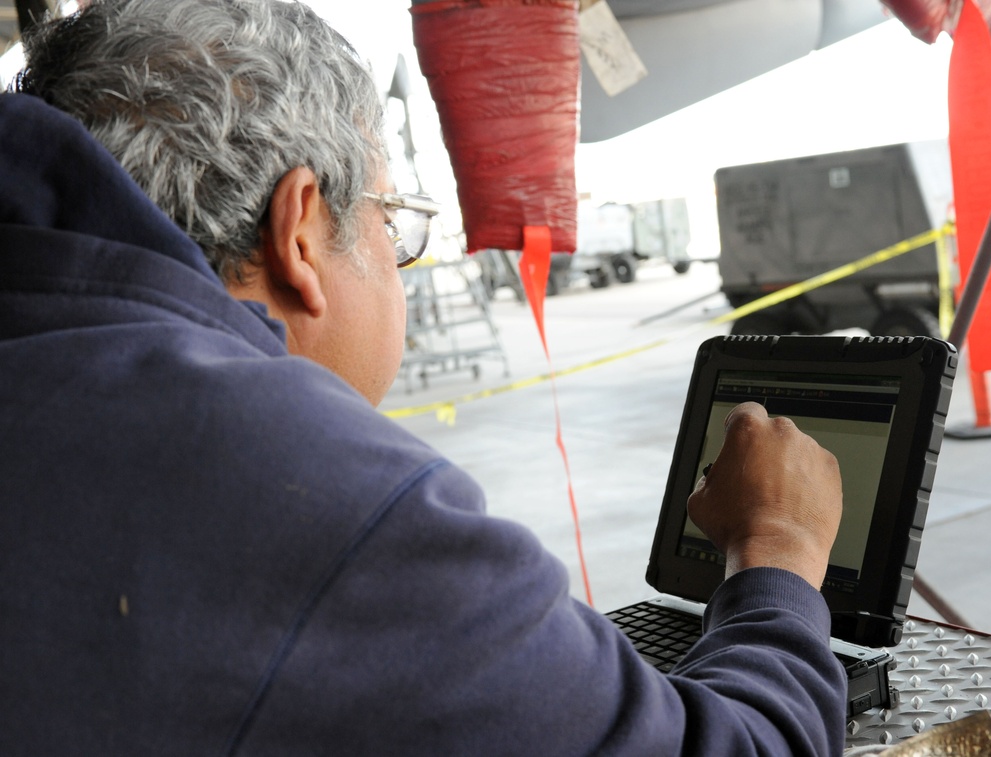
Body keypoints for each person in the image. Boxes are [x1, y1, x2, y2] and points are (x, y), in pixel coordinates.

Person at [0, 0, 846, 754]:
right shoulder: (299, 474)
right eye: (392, 221)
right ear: (300, 232)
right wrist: (780, 546)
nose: (399, 258)